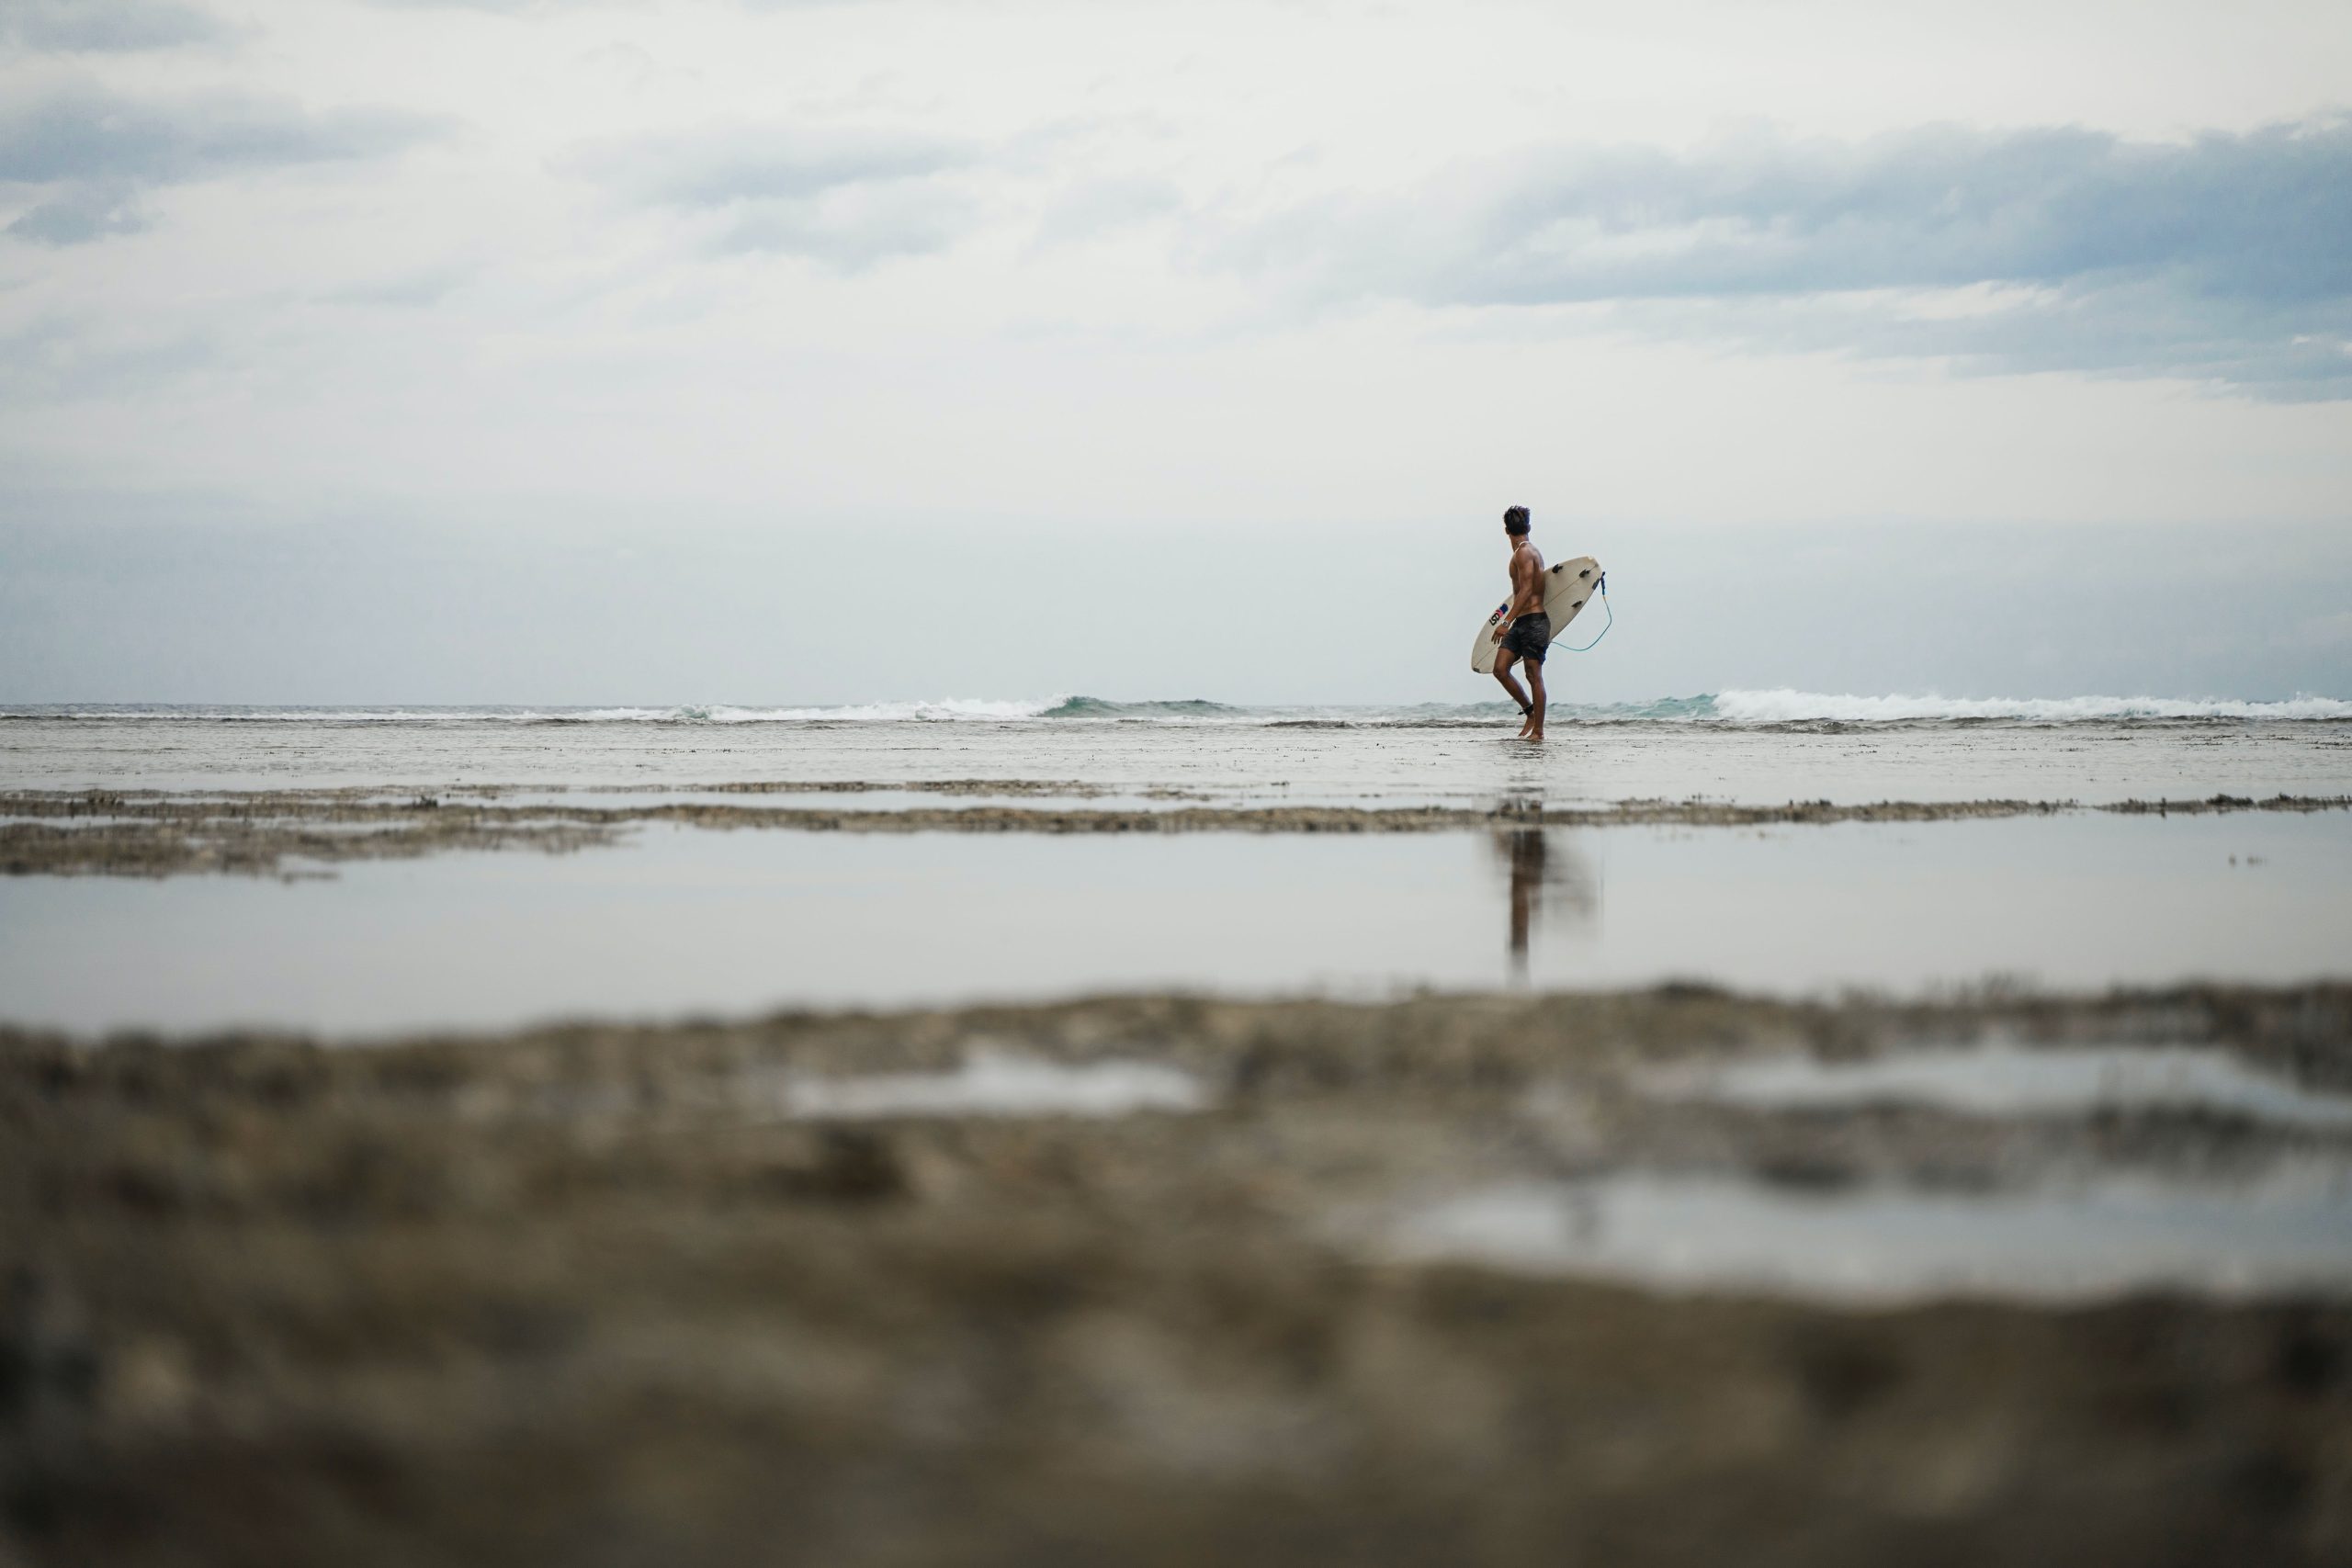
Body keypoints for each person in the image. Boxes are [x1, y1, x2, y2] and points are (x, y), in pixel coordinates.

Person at [1489, 504, 1549, 740]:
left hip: (1534, 621)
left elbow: (1525, 591)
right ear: (1529, 527)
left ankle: (1539, 731)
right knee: (1500, 669)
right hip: (1522, 622)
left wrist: (1506, 621)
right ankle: (1530, 712)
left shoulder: (1524, 552)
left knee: (1533, 674)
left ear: (1506, 531)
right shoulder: (1525, 552)